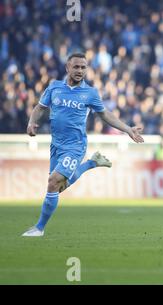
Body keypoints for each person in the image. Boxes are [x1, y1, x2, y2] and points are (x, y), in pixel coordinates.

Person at [22, 53, 144, 237]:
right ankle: (91, 163)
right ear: (67, 68)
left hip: (76, 146)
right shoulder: (54, 87)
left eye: (83, 67)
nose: (80, 71)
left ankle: (39, 228)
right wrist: (31, 122)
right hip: (56, 145)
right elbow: (40, 108)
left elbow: (105, 115)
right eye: (76, 67)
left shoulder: (90, 93)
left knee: (53, 182)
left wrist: (127, 129)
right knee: (58, 187)